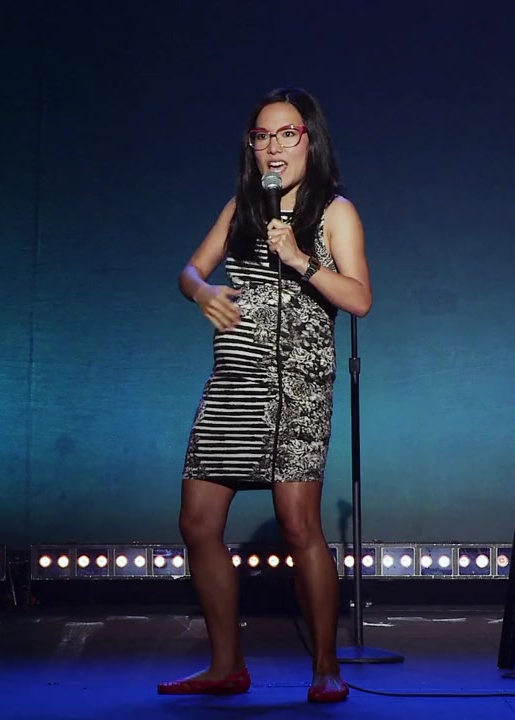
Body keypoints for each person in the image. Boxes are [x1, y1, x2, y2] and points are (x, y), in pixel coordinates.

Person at [157, 87, 372, 704]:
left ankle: (325, 666)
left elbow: (359, 299)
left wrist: (300, 259)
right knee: (197, 523)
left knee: (298, 526)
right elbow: (189, 270)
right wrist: (202, 292)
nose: (273, 147)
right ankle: (226, 664)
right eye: (261, 136)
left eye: (286, 134)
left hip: (295, 386)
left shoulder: (335, 212)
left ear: (310, 140)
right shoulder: (242, 208)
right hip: (233, 384)